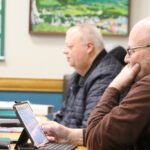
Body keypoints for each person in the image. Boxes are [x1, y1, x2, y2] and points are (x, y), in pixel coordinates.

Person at [41, 17, 150, 150]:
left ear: (89, 47)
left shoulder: (142, 84)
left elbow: (98, 140)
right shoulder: (77, 75)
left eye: (132, 51)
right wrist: (68, 135)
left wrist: (114, 86)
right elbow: (97, 134)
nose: (126, 59)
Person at [54, 23, 123, 128]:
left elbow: (90, 130)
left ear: (89, 47)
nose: (65, 51)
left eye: (70, 47)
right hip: (69, 142)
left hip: (84, 143)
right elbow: (62, 117)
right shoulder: (76, 75)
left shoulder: (106, 77)